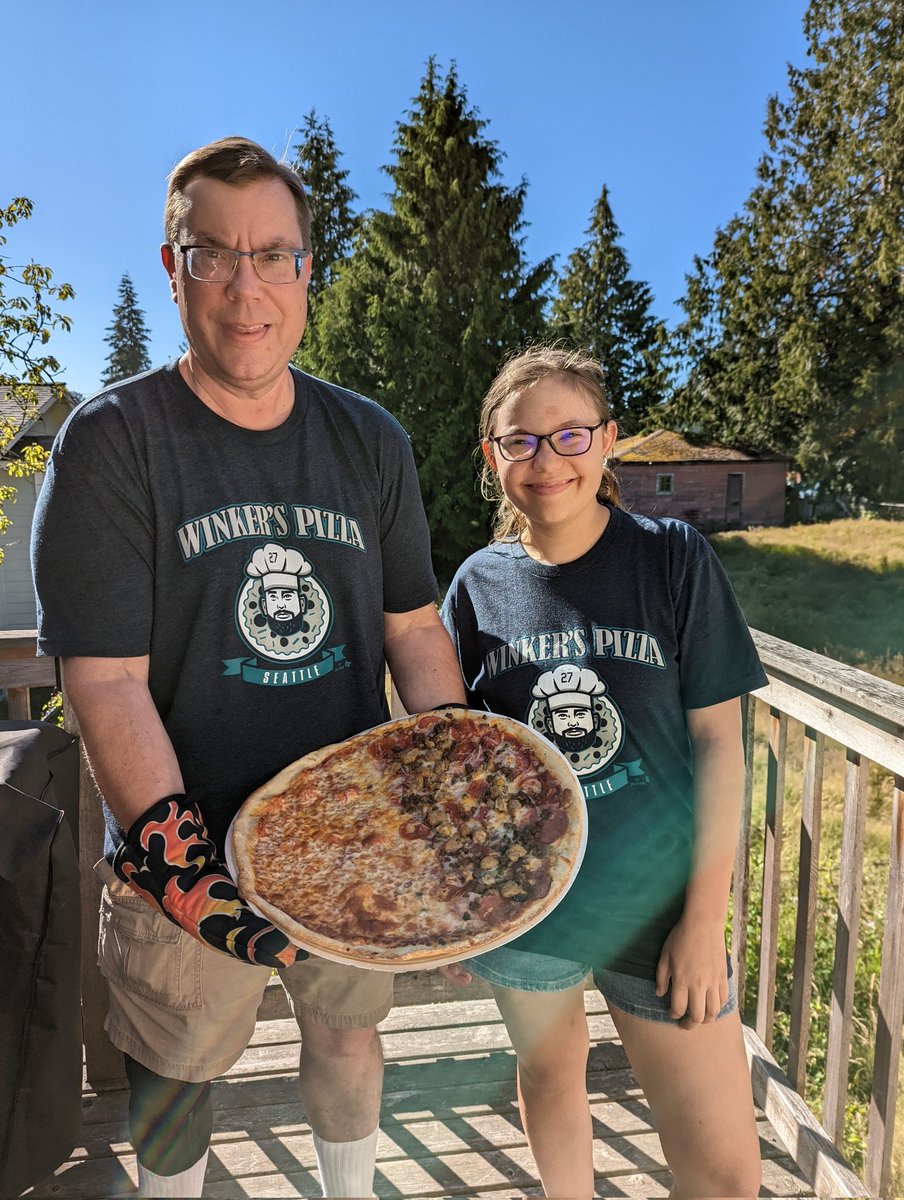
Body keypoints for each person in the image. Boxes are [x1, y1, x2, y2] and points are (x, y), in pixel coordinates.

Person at [31, 136, 465, 1200]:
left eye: (274, 255)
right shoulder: (112, 441)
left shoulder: (370, 441)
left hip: (349, 841)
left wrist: (453, 781)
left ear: (308, 271)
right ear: (173, 268)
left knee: (351, 1044)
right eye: (213, 254)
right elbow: (105, 681)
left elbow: (414, 630)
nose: (246, 288)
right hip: (185, 847)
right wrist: (184, 867)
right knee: (175, 1076)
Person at [440, 345, 767, 1199]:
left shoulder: (671, 558)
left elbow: (720, 748)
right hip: (532, 905)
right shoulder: (478, 587)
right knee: (550, 1078)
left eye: (571, 435)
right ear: (493, 457)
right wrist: (464, 907)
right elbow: (455, 761)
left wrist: (704, 922)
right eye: (521, 441)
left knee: (725, 1173)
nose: (548, 460)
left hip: (658, 907)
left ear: (609, 442)